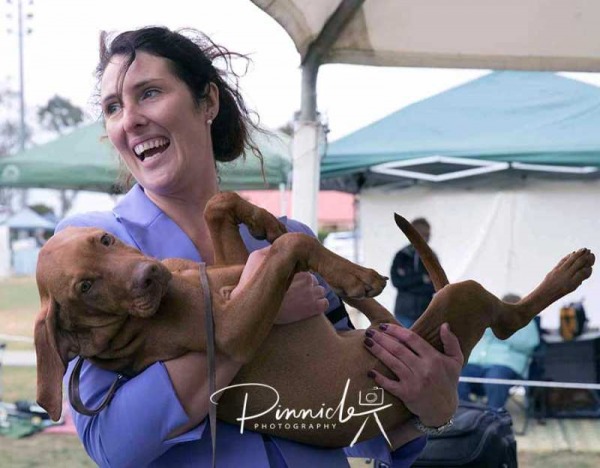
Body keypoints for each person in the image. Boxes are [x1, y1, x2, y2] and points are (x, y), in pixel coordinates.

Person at [57, 26, 463, 467]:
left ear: (207, 102)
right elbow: (112, 446)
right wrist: (257, 313)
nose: (129, 119)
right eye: (113, 107)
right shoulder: (90, 254)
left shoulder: (286, 235)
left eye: (149, 93)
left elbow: (348, 402)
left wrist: (431, 409)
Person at [458, 293, 541, 409]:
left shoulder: (527, 321)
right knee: (457, 374)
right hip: (477, 362)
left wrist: (504, 331)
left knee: (495, 378)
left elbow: (530, 343)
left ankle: (494, 417)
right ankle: (465, 414)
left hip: (504, 365)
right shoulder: (491, 317)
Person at [390, 217, 437, 328]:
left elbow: (435, 285)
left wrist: (408, 285)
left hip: (425, 314)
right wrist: (421, 279)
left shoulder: (431, 257)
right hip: (404, 313)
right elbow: (396, 282)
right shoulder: (401, 256)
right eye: (424, 234)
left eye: (428, 234)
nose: (427, 238)